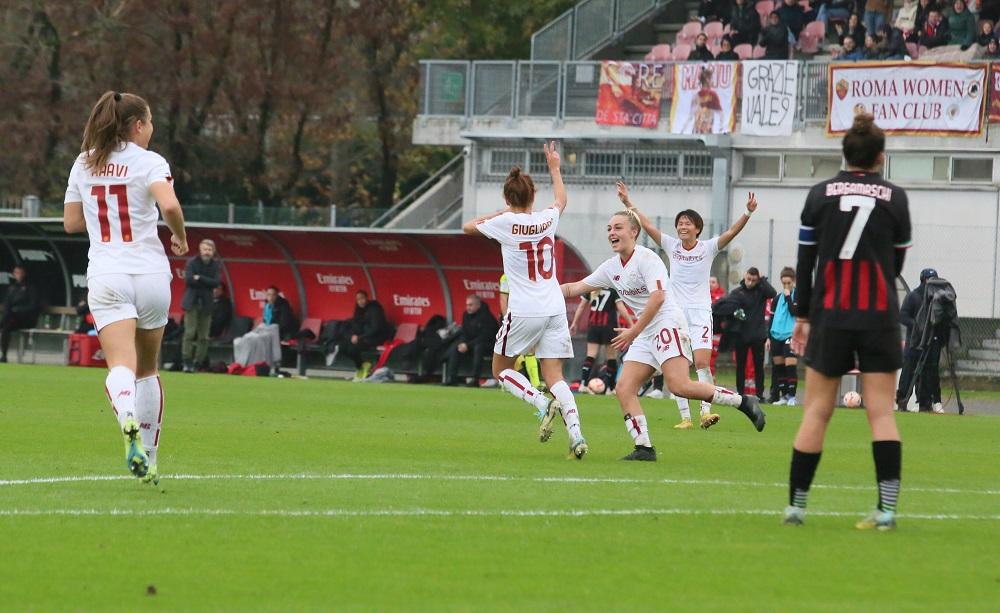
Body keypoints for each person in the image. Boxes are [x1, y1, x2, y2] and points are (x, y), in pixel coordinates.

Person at [783, 112, 912, 530]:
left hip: (831, 316)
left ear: (845, 154)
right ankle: (888, 511)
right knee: (881, 413)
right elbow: (896, 262)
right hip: (878, 315)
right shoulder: (896, 197)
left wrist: (802, 314)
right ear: (880, 156)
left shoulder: (820, 194)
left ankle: (796, 508)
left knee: (817, 411)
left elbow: (805, 262)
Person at [561, 211, 766, 461]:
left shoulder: (647, 258)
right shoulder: (610, 268)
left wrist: (633, 331)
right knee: (624, 388)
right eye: (608, 229)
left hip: (667, 322)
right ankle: (644, 448)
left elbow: (658, 297)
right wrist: (539, 291)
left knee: (679, 386)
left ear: (634, 232)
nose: (611, 233)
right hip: (646, 331)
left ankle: (744, 402)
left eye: (617, 228)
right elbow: (575, 288)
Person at [63, 90, 188, 486]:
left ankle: (126, 417)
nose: (151, 131)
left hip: (108, 274)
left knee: (120, 365)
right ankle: (149, 458)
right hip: (151, 275)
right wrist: (181, 237)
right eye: (149, 123)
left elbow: (71, 223)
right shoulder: (150, 161)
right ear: (137, 125)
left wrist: (101, 214)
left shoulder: (85, 163)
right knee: (148, 369)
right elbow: (168, 207)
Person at [463, 142, 588, 460]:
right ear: (533, 196)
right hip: (554, 306)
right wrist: (555, 168)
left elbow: (467, 228)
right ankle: (576, 436)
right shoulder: (547, 219)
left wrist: (502, 212)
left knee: (500, 369)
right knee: (555, 375)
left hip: (524, 309)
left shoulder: (505, 223)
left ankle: (541, 403)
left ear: (508, 198)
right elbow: (561, 199)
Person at [621, 185, 760, 429]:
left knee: (702, 362)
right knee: (678, 366)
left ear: (697, 228)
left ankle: (706, 412)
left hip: (700, 313)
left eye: (687, 223)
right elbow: (648, 226)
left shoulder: (707, 248)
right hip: (674, 314)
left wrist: (747, 213)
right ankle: (685, 417)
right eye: (680, 223)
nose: (682, 227)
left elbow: (731, 232)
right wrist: (627, 203)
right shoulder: (671, 245)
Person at [896, 268, 945, 413]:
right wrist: (918, 326)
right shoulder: (913, 296)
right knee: (909, 371)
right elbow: (903, 316)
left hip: (932, 342)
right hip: (914, 342)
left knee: (930, 372)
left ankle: (926, 401)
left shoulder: (938, 298)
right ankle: (902, 400)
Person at [724, 268, 777, 401]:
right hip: (741, 334)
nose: (750, 282)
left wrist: (763, 281)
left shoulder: (761, 292)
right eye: (749, 279)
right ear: (744, 276)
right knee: (740, 366)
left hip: (757, 335)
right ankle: (740, 393)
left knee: (759, 366)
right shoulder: (737, 292)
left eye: (754, 280)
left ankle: (759, 394)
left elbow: (773, 293)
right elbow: (728, 307)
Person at [569, 287, 631, 393]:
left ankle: (583, 384)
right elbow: (621, 307)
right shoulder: (613, 289)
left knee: (590, 355)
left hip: (594, 326)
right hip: (608, 326)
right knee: (611, 358)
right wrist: (632, 324)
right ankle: (610, 388)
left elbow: (581, 306)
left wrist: (575, 323)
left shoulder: (592, 287)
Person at [233, 286, 297, 372]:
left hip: (280, 333)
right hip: (267, 331)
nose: (271, 297)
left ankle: (260, 364)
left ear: (277, 295)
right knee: (246, 339)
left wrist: (270, 330)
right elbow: (265, 321)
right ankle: (246, 363)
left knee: (258, 339)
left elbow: (284, 324)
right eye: (268, 294)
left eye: (273, 295)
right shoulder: (267, 305)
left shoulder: (284, 305)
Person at [180, 239, 221, 372]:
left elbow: (215, 283)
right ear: (200, 249)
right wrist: (204, 281)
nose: (207, 252)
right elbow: (189, 280)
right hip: (191, 302)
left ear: (213, 252)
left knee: (203, 336)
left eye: (209, 250)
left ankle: (198, 362)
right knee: (190, 333)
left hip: (207, 304)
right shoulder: (192, 262)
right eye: (205, 249)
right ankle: (187, 362)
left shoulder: (215, 265)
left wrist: (200, 278)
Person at [443, 294, 499, 386]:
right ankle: (452, 378)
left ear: (478, 305)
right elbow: (464, 332)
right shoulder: (466, 315)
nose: (468, 307)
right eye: (467, 305)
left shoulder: (487, 317)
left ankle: (475, 379)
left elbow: (484, 337)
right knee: (456, 347)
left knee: (479, 347)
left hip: (488, 346)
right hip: (471, 344)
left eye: (470, 305)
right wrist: (463, 343)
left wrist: (468, 345)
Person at [499, 273, 541, 389]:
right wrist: (506, 319)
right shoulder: (506, 276)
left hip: (527, 317)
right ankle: (505, 383)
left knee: (530, 349)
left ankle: (536, 384)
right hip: (512, 319)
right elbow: (503, 299)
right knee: (510, 351)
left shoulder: (530, 275)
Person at [338, 290, 392, 380]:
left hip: (376, 338)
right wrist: (353, 335)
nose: (360, 301)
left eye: (362, 298)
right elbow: (356, 325)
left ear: (367, 298)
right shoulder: (358, 310)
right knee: (342, 346)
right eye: (358, 299)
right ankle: (362, 366)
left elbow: (376, 328)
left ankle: (363, 367)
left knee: (352, 349)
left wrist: (360, 337)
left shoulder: (374, 309)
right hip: (363, 338)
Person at [768, 267, 799, 406]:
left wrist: (788, 296)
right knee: (779, 366)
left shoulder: (797, 295)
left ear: (794, 281)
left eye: (789, 283)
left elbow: (794, 311)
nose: (786, 286)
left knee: (790, 365)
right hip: (776, 335)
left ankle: (792, 396)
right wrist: (768, 337)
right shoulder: (776, 299)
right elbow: (771, 318)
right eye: (784, 283)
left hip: (791, 334)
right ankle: (784, 396)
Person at [0, 265, 41, 362]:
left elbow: (34, 306)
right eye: (16, 273)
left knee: (6, 325)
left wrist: (17, 310)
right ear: (13, 274)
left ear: (24, 274)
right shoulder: (12, 288)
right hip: (11, 319)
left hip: (26, 319)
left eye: (20, 273)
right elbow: (7, 305)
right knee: (6, 325)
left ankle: (4, 355)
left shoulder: (31, 287)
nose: (18, 275)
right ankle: (3, 354)